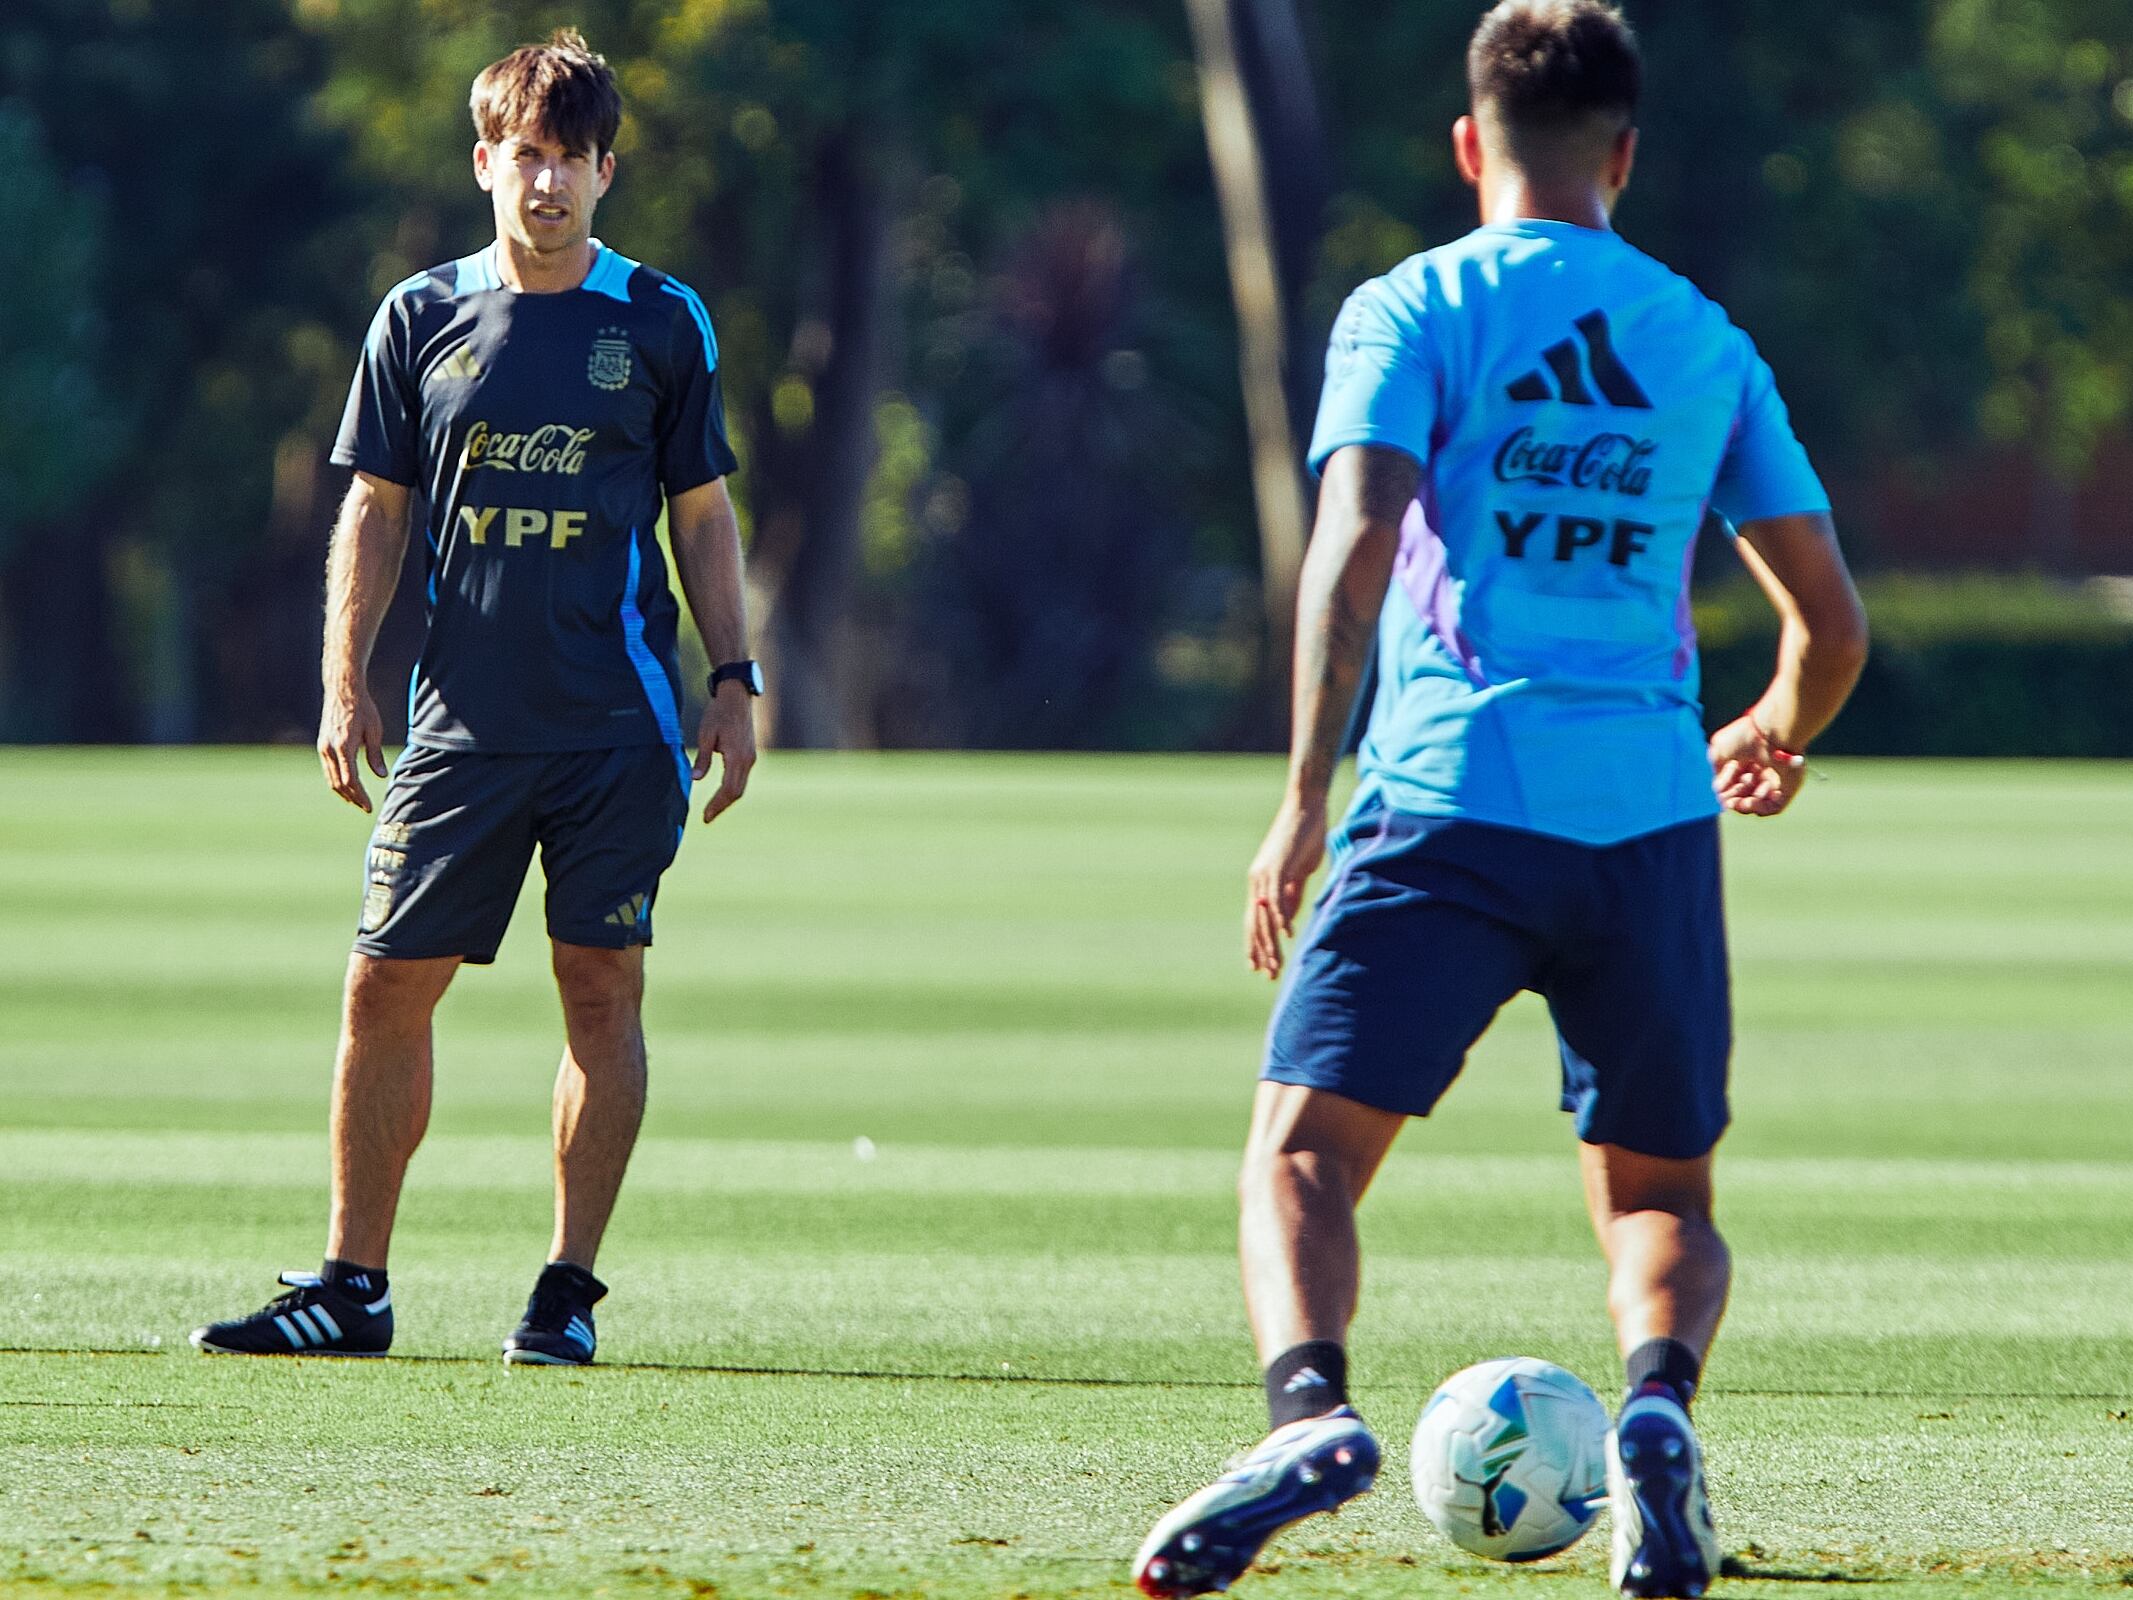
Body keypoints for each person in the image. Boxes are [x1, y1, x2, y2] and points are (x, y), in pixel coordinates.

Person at [1132, 3, 1867, 1595]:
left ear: (1470, 147)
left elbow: (1346, 550)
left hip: (1445, 799)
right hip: (1648, 819)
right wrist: (1769, 728)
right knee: (1659, 1197)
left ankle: (1308, 1417)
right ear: (1624, 155)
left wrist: (1302, 797)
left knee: (1303, 1154)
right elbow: (1832, 625)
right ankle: (1654, 1415)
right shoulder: (1700, 336)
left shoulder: (1412, 307)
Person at [191, 29, 760, 1368]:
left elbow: (704, 515)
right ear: (483, 163)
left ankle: (564, 1295)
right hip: (458, 725)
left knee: (601, 989)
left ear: (605, 171)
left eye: (570, 158)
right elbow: (375, 510)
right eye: (524, 156)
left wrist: (733, 683)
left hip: (619, 725)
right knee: (383, 989)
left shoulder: (662, 323)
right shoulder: (418, 319)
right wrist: (344, 680)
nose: (545, 183)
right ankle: (352, 1288)